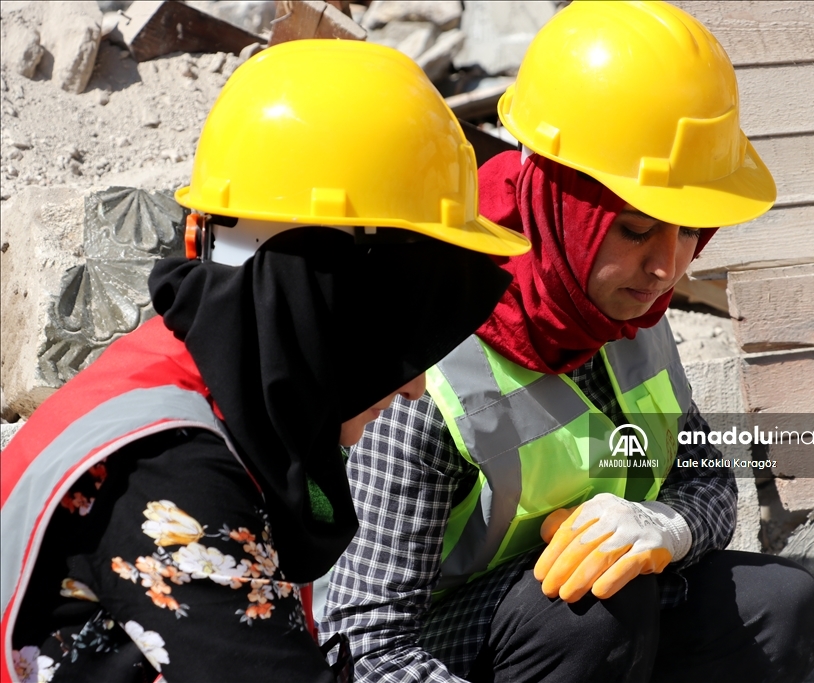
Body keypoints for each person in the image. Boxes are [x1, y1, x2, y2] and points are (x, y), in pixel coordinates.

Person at [319, 3, 814, 683]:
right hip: (463, 646)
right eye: (638, 229)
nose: (667, 267)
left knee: (781, 604)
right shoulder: (432, 370)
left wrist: (662, 526)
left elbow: (705, 480)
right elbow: (367, 644)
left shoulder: (619, 308)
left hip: (591, 634)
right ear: (562, 203)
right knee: (591, 612)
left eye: (688, 232)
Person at [0, 40, 529, 683]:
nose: (416, 387)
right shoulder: (171, 473)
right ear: (324, 304)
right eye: (399, 340)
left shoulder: (214, 392)